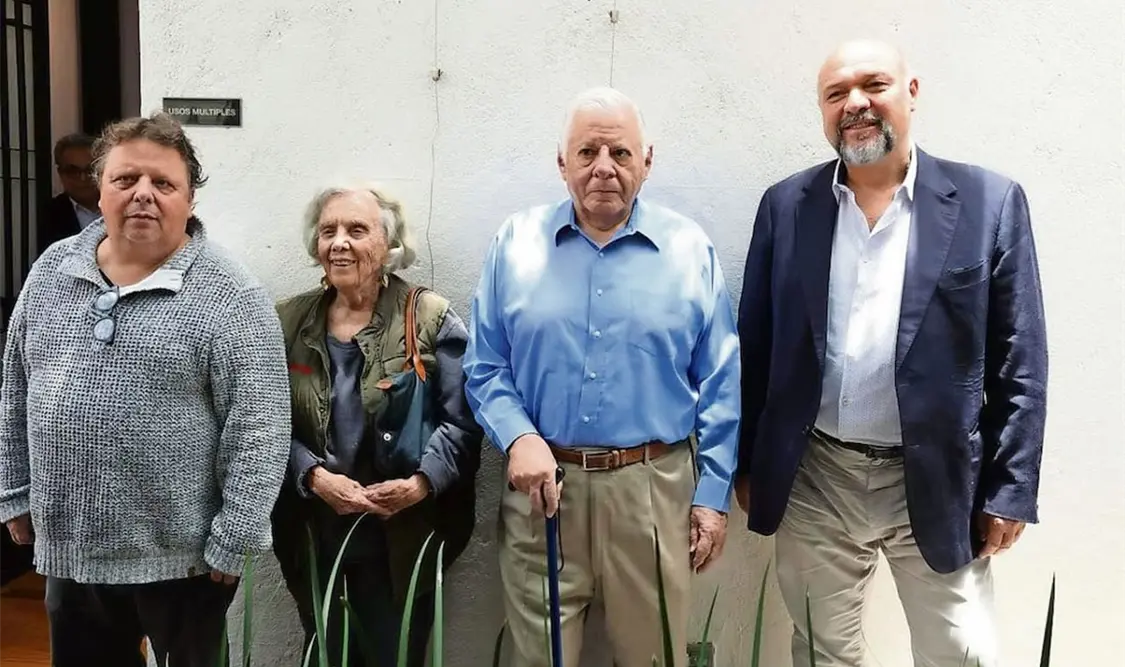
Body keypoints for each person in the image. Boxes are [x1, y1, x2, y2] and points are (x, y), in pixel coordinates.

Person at [735, 40, 1048, 667]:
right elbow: (755, 344)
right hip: (816, 477)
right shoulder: (785, 206)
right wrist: (749, 463)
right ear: (823, 111)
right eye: (835, 94)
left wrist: (1010, 489)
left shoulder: (988, 203)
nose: (855, 103)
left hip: (937, 478)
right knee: (823, 651)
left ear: (911, 92)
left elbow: (1021, 358)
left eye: (873, 84)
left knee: (962, 653)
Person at [0, 112, 291, 666]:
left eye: (163, 183)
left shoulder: (230, 295)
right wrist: (14, 491)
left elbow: (261, 426)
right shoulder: (51, 272)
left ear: (190, 198)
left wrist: (237, 534)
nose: (143, 195)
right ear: (100, 189)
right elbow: (15, 389)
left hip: (185, 561)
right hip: (73, 549)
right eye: (125, 179)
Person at [463, 87, 741, 667]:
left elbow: (721, 381)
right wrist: (518, 437)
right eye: (587, 152)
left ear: (647, 160)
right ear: (561, 162)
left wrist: (712, 497)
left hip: (653, 493)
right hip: (542, 492)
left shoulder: (690, 250)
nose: (604, 168)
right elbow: (485, 366)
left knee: (653, 658)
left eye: (620, 152)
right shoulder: (515, 245)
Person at [270, 183, 482, 667]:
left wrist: (421, 483)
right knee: (326, 653)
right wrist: (312, 476)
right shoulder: (287, 322)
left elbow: (464, 422)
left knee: (396, 653)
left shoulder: (429, 317)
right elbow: (266, 424)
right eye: (328, 231)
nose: (339, 243)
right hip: (317, 536)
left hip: (402, 539)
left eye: (356, 230)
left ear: (388, 245)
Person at [40, 133, 102, 252]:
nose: (83, 178)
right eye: (73, 171)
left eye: (90, 170)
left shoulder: (121, 206)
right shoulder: (51, 214)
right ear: (60, 173)